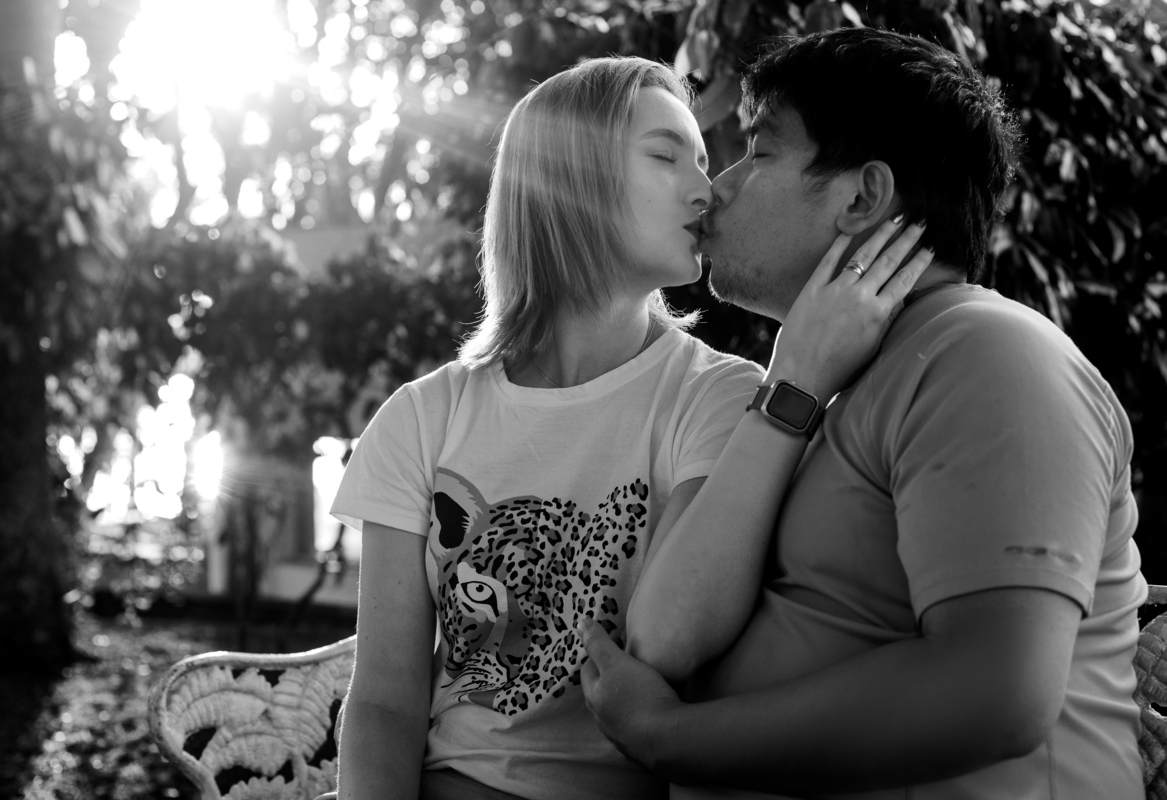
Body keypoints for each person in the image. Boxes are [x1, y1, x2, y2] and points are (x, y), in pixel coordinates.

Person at [327, 54, 931, 800]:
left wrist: (801, 374)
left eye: (701, 161)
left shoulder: (719, 397)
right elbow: (384, 700)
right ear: (567, 178)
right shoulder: (422, 418)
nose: (705, 190)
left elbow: (679, 634)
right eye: (665, 156)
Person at [579, 27, 1146, 800]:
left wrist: (666, 738)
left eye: (759, 151)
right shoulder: (828, 383)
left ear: (862, 197)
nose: (718, 188)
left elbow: (994, 691)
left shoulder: (988, 354)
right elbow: (662, 637)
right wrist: (793, 385)